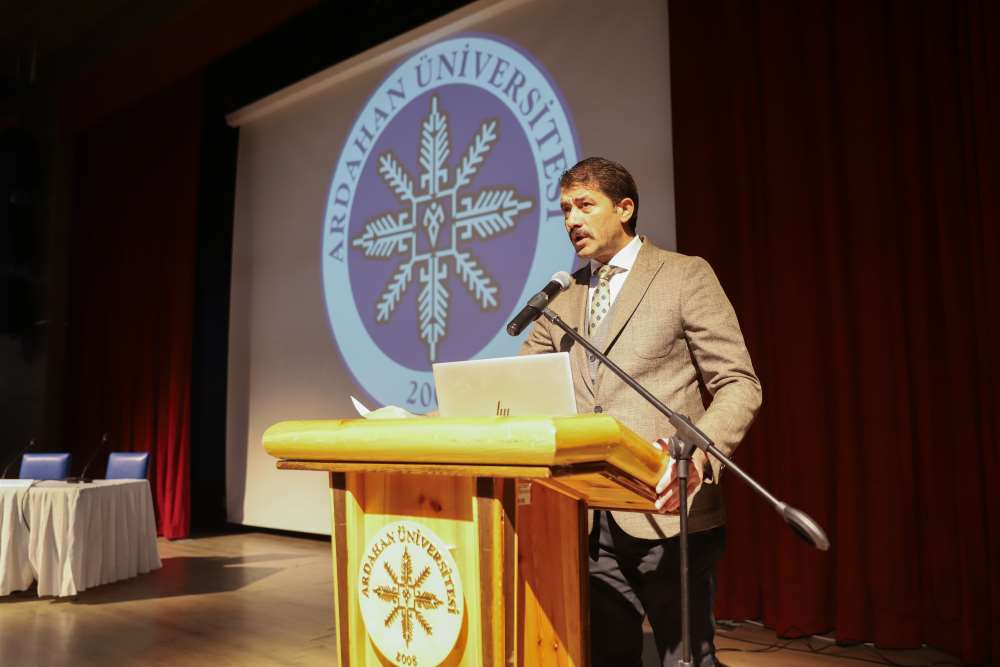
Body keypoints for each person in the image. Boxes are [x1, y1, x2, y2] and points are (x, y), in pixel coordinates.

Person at [519, 157, 762, 666]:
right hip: (589, 516)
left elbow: (738, 384)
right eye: (565, 210)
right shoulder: (560, 298)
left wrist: (697, 456)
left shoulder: (683, 275)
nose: (571, 220)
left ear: (625, 208)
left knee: (685, 660)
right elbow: (514, 388)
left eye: (585, 205)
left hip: (670, 508)